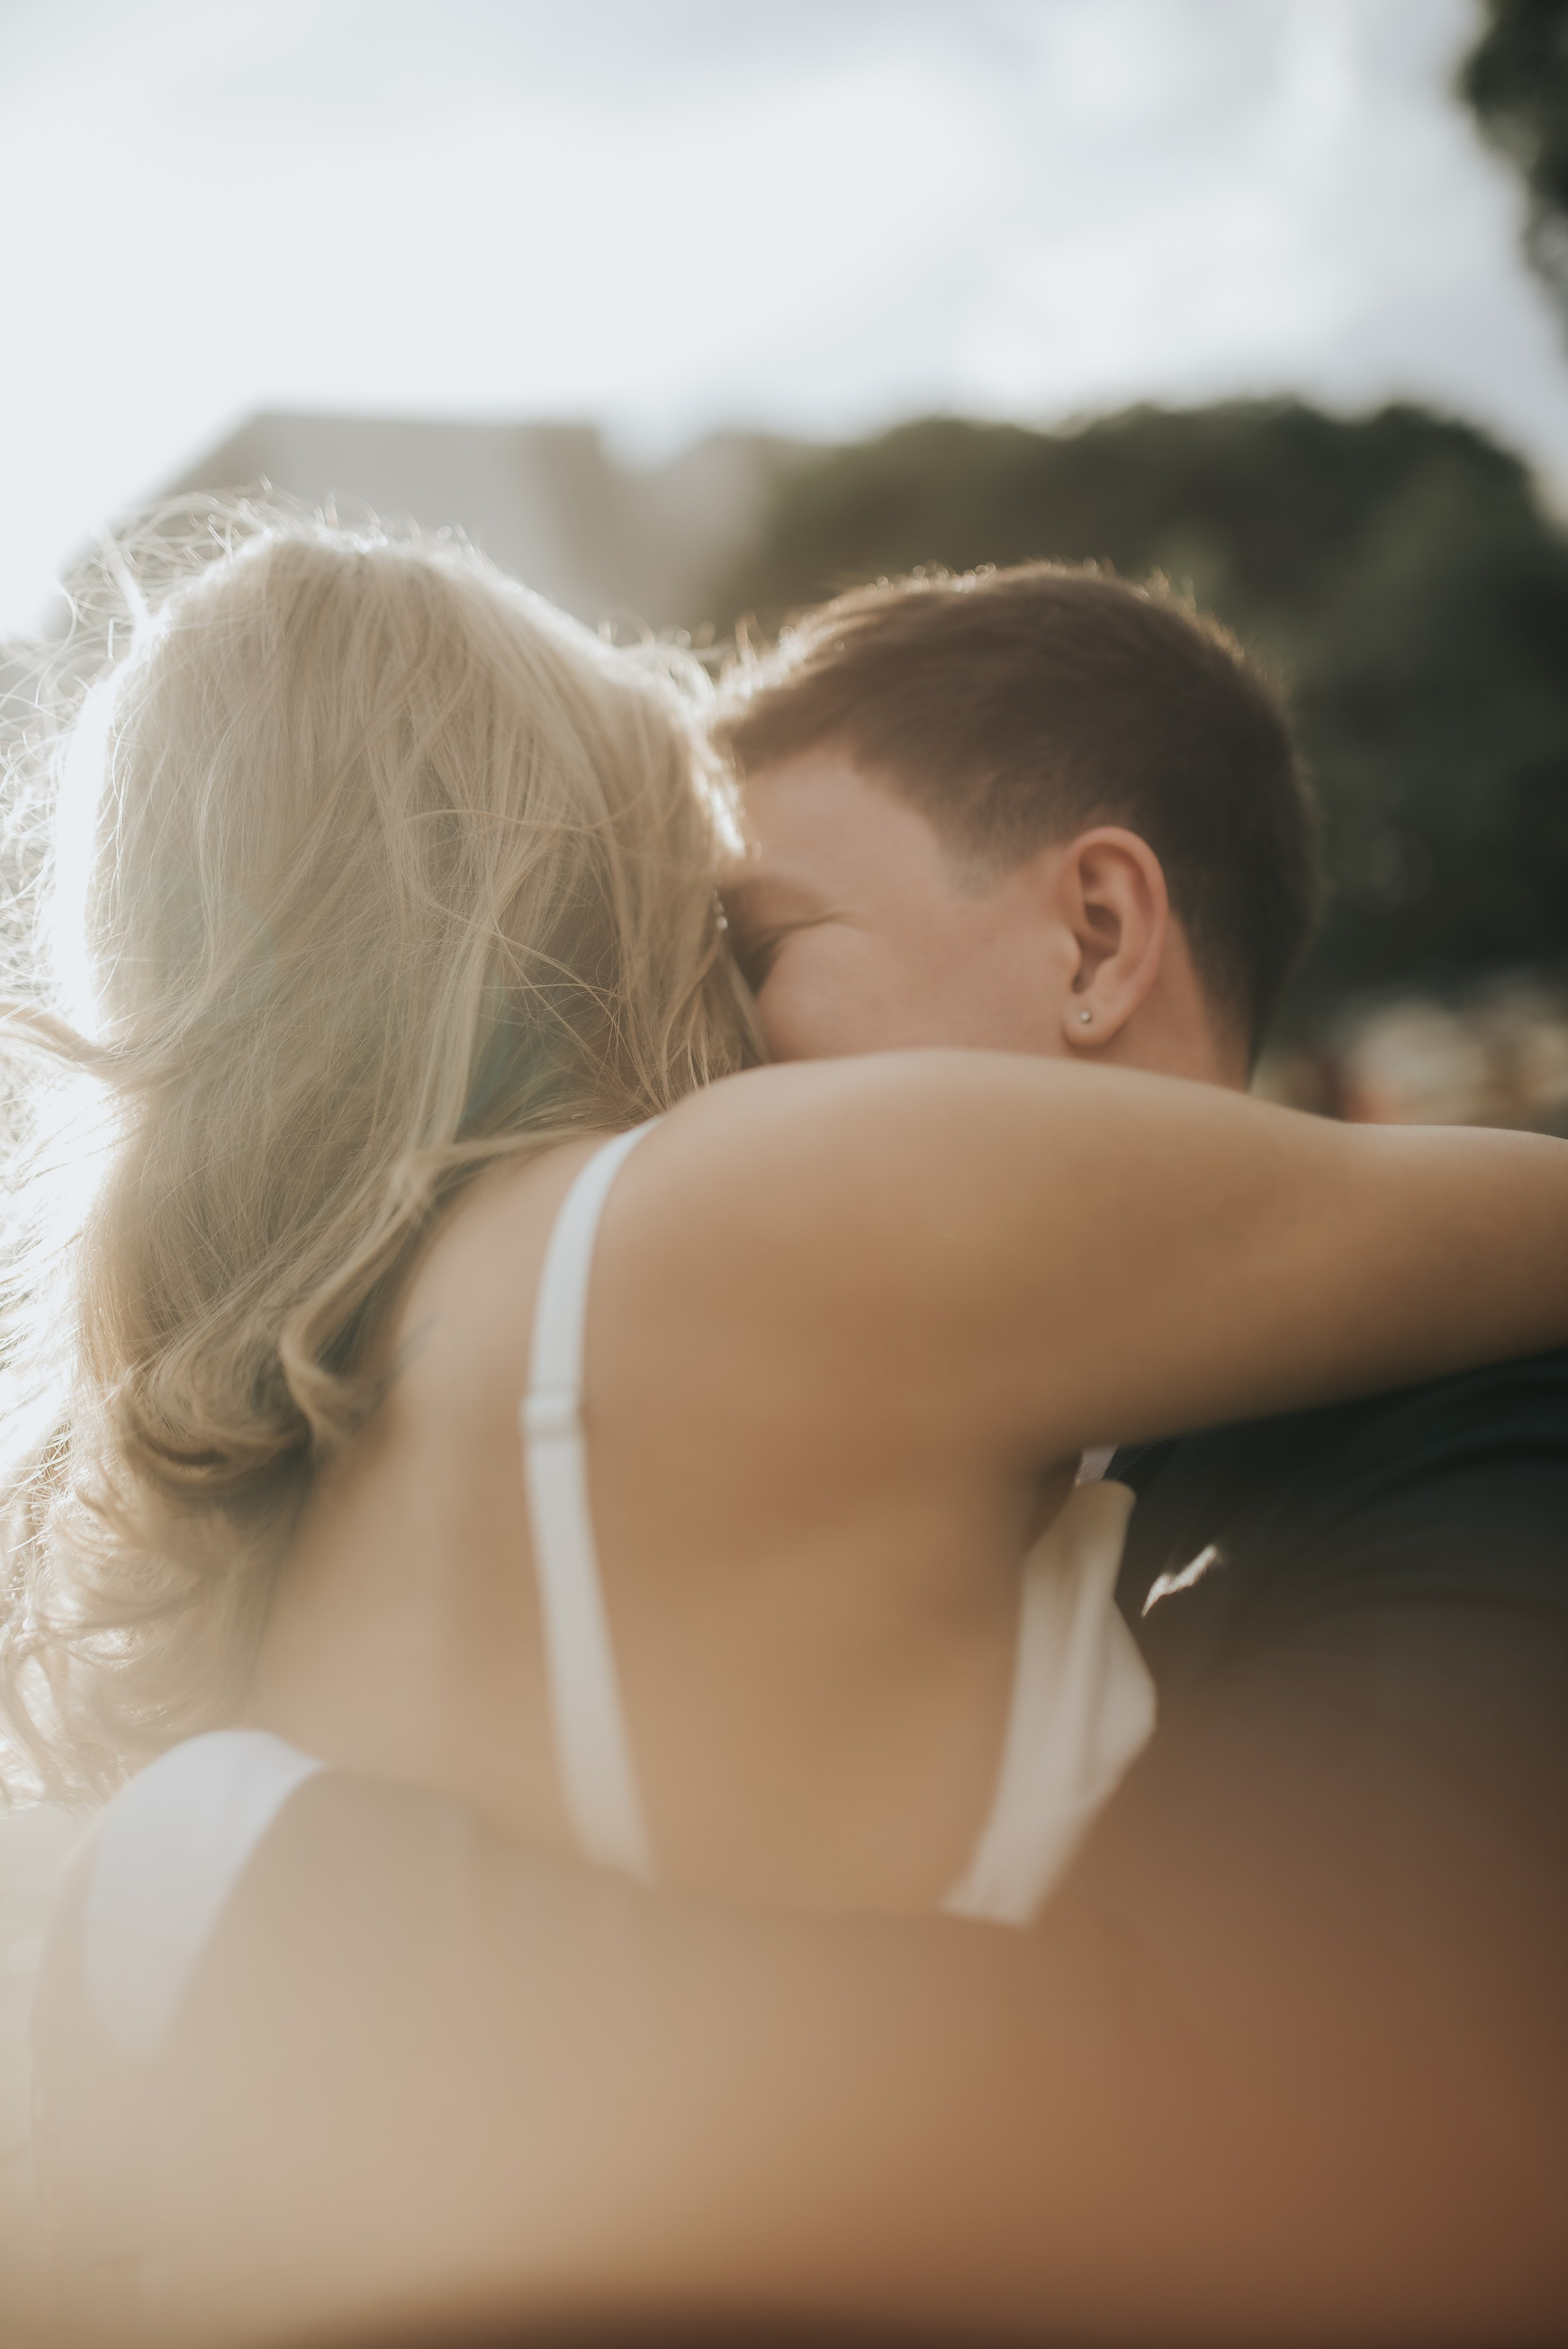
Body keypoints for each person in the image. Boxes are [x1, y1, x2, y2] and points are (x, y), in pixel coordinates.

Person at [16, 519, 1568, 2348]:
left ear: (1100, 933)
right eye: (703, 926)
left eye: (754, 936)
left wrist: (256, 1910)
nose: (729, 1018)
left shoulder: (296, 1437)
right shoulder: (743, 1229)